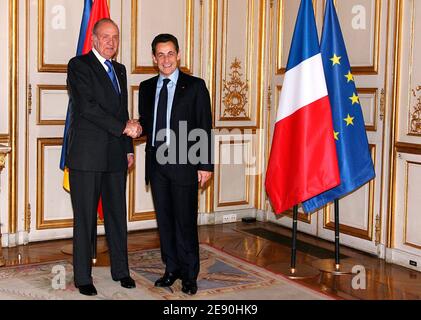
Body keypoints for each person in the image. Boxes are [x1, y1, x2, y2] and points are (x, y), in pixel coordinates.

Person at [66, 18, 141, 296]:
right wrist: (124, 128)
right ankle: (83, 276)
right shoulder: (79, 65)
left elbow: (122, 109)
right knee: (85, 218)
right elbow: (87, 107)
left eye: (116, 37)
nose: (111, 42)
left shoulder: (119, 70)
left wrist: (128, 148)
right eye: (106, 37)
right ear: (94, 39)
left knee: (117, 215)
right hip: (86, 156)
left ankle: (121, 271)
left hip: (115, 155)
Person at [138, 33, 213, 295]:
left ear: (178, 55)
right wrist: (136, 127)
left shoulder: (195, 86)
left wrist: (205, 165)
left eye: (170, 53)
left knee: (185, 221)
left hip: (184, 163)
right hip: (156, 163)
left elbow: (204, 126)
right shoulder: (147, 88)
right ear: (154, 58)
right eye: (160, 54)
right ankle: (171, 269)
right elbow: (147, 122)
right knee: (165, 221)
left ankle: (190, 274)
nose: (166, 59)